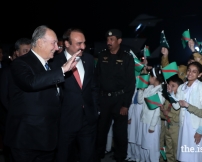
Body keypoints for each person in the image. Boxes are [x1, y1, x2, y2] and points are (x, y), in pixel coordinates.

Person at [4, 25, 80, 162]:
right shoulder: (21, 63)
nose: (57, 48)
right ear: (40, 42)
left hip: (47, 139)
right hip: (27, 140)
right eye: (54, 43)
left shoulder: (49, 66)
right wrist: (62, 70)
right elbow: (31, 82)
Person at [50, 28, 99, 162]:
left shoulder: (88, 59)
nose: (83, 47)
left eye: (84, 43)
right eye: (78, 43)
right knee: (63, 156)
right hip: (65, 120)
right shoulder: (55, 62)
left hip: (88, 119)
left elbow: (93, 86)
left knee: (88, 156)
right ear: (67, 44)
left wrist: (95, 109)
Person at [95, 29, 136, 162]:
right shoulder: (102, 56)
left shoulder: (126, 57)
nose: (109, 42)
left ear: (119, 41)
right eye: (107, 39)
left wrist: (125, 104)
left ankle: (120, 156)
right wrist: (97, 100)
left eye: (112, 39)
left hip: (120, 100)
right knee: (101, 130)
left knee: (120, 132)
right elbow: (97, 79)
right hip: (104, 99)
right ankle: (98, 154)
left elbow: (130, 83)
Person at [170, 62, 202, 162]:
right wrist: (170, 93)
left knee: (195, 156)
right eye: (189, 70)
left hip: (196, 126)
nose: (190, 73)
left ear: (199, 74)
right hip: (184, 126)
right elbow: (176, 106)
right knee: (184, 155)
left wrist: (200, 129)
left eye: (194, 71)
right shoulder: (181, 87)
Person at [137, 67, 165, 162]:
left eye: (150, 76)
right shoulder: (149, 88)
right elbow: (140, 101)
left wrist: (152, 126)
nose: (148, 77)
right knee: (144, 147)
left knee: (152, 149)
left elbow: (157, 111)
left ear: (155, 77)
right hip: (144, 121)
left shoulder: (160, 91)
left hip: (152, 124)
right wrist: (141, 89)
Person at [160, 75, 184, 162]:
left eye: (173, 86)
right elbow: (163, 116)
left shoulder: (180, 101)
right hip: (168, 127)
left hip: (176, 128)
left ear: (180, 87)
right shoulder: (167, 99)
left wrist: (168, 113)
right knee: (169, 151)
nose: (170, 88)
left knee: (176, 151)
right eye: (169, 86)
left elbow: (179, 118)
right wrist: (162, 111)